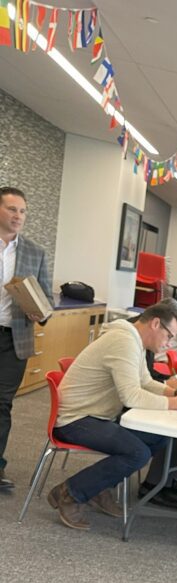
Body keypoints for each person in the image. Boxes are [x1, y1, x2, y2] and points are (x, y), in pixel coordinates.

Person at [47, 298, 177, 530]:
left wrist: (172, 392)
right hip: (75, 419)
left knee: (158, 437)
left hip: (96, 416)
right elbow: (131, 397)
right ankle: (70, 493)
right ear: (155, 323)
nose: (169, 344)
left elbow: (144, 381)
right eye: (170, 336)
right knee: (138, 453)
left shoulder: (134, 341)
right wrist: (173, 404)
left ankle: (99, 487)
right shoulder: (123, 341)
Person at [0, 186, 54, 491]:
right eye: (11, 209)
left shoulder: (35, 252)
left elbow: (46, 296)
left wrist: (41, 312)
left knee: (2, 404)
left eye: (22, 211)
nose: (18, 216)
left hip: (13, 338)